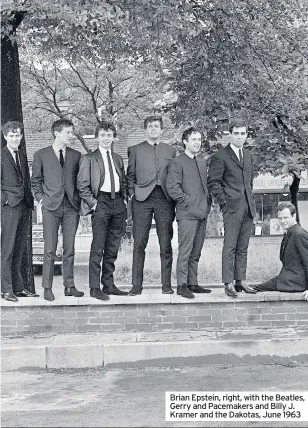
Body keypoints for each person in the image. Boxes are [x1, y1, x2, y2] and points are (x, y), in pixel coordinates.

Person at [31, 119, 84, 301]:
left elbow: (80, 181)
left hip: (71, 207)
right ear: (57, 133)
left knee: (70, 248)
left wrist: (79, 200)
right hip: (50, 207)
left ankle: (69, 286)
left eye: (72, 132)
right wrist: (41, 199)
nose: (71, 136)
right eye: (68, 132)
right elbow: (35, 181)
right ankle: (47, 287)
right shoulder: (41, 154)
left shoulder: (76, 156)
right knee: (50, 249)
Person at [77, 121, 128, 300]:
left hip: (118, 203)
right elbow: (82, 186)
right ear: (97, 137)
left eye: (109, 135)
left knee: (113, 247)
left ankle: (108, 284)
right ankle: (94, 287)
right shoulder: (89, 158)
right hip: (101, 202)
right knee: (98, 247)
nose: (106, 138)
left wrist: (125, 200)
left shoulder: (118, 158)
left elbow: (124, 181)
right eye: (103, 135)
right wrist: (94, 204)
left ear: (114, 137)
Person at [126, 115, 176, 295]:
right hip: (142, 199)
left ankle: (166, 285)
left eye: (156, 126)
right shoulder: (135, 150)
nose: (153, 129)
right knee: (139, 243)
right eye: (149, 126)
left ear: (162, 130)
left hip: (164, 199)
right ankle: (136, 286)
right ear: (145, 129)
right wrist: (132, 195)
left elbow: (174, 176)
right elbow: (129, 176)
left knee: (166, 243)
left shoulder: (170, 150)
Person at [207, 119, 257, 297]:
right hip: (232, 206)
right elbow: (213, 182)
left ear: (246, 134)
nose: (240, 137)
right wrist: (225, 201)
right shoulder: (220, 156)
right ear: (230, 134)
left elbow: (249, 182)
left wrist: (249, 200)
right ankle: (228, 283)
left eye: (243, 133)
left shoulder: (249, 155)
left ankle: (240, 281)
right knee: (230, 246)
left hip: (248, 206)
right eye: (236, 133)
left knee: (243, 246)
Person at [166, 127, 212, 298]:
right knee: (185, 251)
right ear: (185, 141)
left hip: (202, 213)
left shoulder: (201, 162)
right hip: (186, 214)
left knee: (196, 251)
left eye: (199, 139)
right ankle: (182, 285)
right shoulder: (177, 162)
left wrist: (207, 203)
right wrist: (189, 201)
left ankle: (193, 283)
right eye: (193, 139)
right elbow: (172, 188)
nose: (197, 142)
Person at [1, 121, 37, 302]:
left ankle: (18, 287)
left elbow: (26, 181)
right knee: (7, 249)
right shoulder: (1, 156)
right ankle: (6, 289)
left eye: (18, 135)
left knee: (19, 248)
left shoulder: (22, 155)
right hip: (9, 208)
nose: (15, 138)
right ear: (5, 136)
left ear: (21, 137)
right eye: (11, 135)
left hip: (24, 206)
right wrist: (6, 200)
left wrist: (29, 202)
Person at [255, 202, 308, 294]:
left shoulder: (299, 234)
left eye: (285, 217)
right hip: (287, 278)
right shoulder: (290, 232)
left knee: (255, 290)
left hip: (295, 282)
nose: (282, 221)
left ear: (294, 216)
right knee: (254, 289)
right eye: (280, 218)